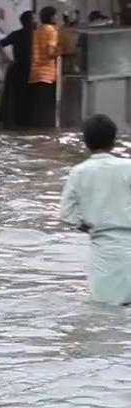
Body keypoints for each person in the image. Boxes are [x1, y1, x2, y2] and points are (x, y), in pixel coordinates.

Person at [59, 114, 131, 305]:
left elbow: (66, 214)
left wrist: (85, 226)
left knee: (106, 309)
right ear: (113, 140)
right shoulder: (128, 167)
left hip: (103, 247)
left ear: (86, 142)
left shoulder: (79, 172)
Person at [0, 10, 36, 128]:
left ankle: (17, 120)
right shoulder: (36, 34)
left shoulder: (16, 34)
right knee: (30, 95)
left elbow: (1, 44)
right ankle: (28, 121)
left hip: (18, 67)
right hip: (32, 68)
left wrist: (8, 59)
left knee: (18, 95)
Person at [30, 6, 61, 128]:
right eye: (55, 15)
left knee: (37, 106)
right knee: (47, 107)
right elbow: (50, 52)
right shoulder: (52, 31)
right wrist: (60, 51)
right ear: (51, 17)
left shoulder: (38, 29)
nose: (57, 17)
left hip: (34, 73)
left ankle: (36, 130)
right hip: (47, 74)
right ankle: (46, 131)